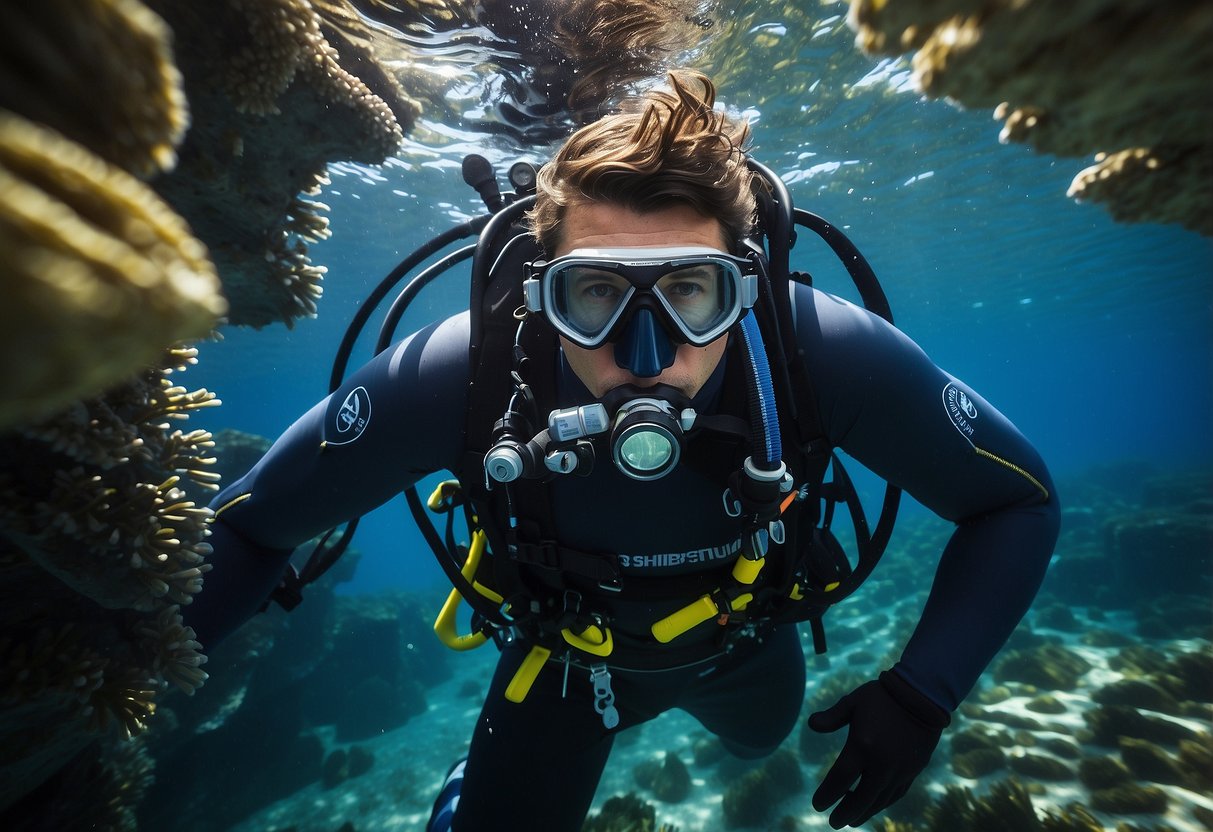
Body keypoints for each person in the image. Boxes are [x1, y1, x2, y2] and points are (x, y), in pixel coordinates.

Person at [184, 71, 1060, 831]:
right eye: (594, 293)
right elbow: (259, 527)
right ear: (539, 291)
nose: (647, 356)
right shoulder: (464, 370)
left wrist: (922, 692)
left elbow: (1016, 502)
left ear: (746, 286)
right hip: (563, 662)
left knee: (759, 741)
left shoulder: (818, 354)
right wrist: (126, 680)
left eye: (690, 290)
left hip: (745, 648)